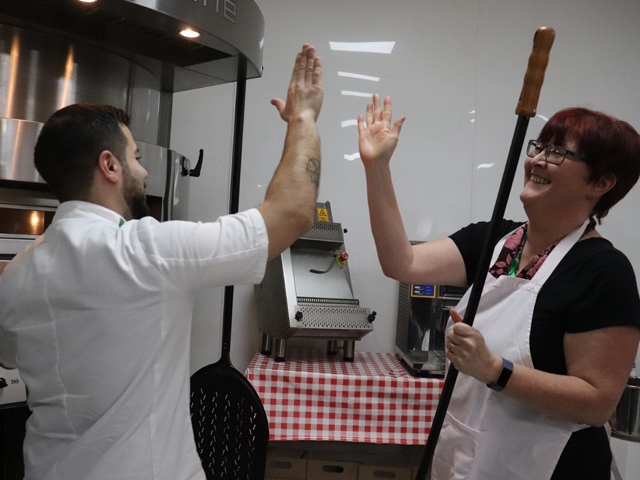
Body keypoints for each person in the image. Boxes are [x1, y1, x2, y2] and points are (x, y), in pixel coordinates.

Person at [0, 43, 323, 480]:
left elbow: (8, 356)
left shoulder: (17, 272)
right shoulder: (148, 251)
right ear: (109, 165)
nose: (145, 172)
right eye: (135, 157)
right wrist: (303, 119)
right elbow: (293, 213)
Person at [357, 94, 640, 480]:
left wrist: (495, 370)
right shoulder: (494, 240)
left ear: (602, 183)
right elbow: (401, 262)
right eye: (539, 146)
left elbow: (596, 402)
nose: (537, 159)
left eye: (558, 153)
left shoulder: (604, 271)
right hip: (470, 455)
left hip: (552, 467)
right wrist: (377, 168)